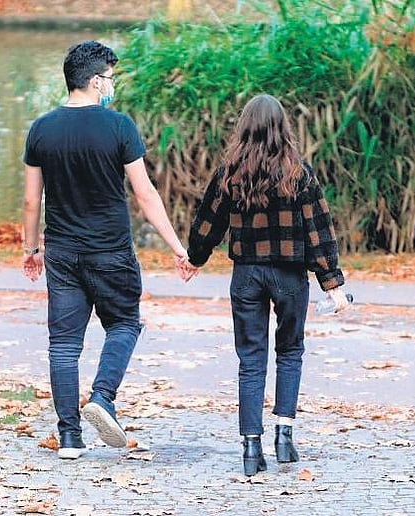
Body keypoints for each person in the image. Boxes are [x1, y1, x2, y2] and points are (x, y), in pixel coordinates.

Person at [22, 40, 188, 459]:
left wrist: (31, 247)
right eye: (110, 77)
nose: (113, 84)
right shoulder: (118, 127)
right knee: (125, 323)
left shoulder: (41, 129)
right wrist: (176, 246)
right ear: (95, 81)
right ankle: (102, 397)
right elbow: (145, 194)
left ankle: (69, 437)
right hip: (110, 251)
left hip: (62, 252)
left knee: (63, 345)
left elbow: (30, 200)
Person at [183, 94, 350, 476]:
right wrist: (332, 282)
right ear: (282, 128)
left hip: (247, 275)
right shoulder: (299, 174)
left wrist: (195, 258)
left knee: (251, 359)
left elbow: (208, 223)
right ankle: (284, 437)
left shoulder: (230, 173)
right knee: (290, 351)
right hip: (289, 276)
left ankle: (250, 447)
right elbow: (318, 230)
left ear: (244, 127)